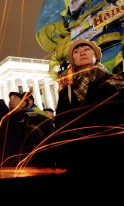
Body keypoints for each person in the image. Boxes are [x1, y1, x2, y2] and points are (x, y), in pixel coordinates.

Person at [53, 38, 124, 178]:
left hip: (111, 155)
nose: (82, 53)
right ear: (73, 59)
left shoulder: (116, 81)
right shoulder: (65, 93)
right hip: (78, 159)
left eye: (86, 49)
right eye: (77, 51)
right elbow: (61, 128)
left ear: (95, 55)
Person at [2, 92, 54, 167]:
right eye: (10, 99)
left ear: (23, 103)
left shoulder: (36, 117)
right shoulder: (7, 120)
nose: (11, 101)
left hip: (35, 161)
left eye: (15, 98)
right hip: (15, 162)